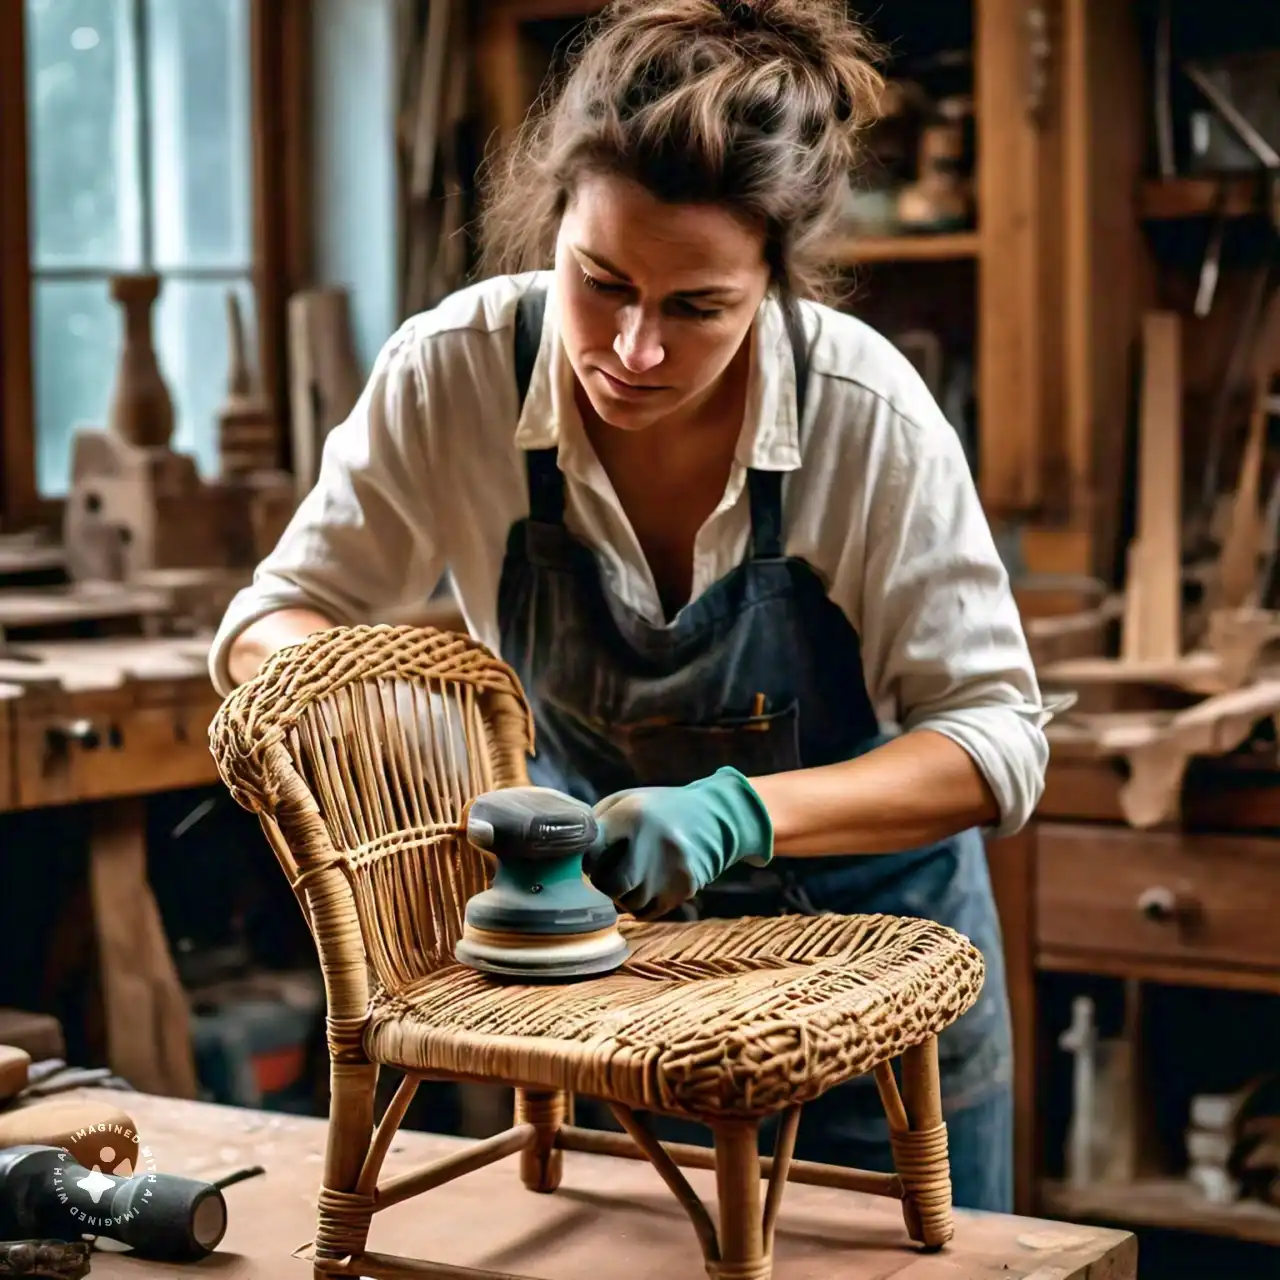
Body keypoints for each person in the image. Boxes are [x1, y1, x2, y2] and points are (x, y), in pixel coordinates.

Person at [209, 0, 1055, 1213]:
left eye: (696, 307)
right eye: (598, 282)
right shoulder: (450, 376)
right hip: (606, 1007)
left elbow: (996, 742)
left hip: (875, 1010)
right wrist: (417, 746)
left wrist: (736, 813)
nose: (632, 350)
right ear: (551, 225)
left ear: (772, 284)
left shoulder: (862, 414)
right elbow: (272, 623)